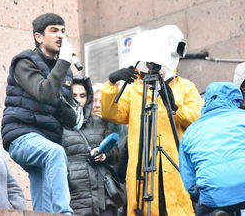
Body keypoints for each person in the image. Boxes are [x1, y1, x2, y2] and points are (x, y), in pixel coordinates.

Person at [101, 26, 203, 215]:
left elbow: (197, 119)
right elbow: (111, 114)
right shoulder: (135, 89)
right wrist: (112, 84)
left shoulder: (185, 87)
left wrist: (175, 108)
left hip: (174, 169)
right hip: (143, 172)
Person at [1, 13, 77, 214]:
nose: (60, 35)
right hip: (21, 135)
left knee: (43, 200)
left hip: (47, 138)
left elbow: (68, 114)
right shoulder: (24, 61)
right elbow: (44, 93)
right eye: (53, 30)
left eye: (63, 31)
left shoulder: (65, 72)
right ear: (38, 36)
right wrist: (64, 63)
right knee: (54, 153)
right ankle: (64, 213)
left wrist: (74, 112)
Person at [179, 82, 245, 216]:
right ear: (237, 100)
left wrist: (200, 195)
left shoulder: (191, 131)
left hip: (214, 196)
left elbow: (189, 180)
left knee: (204, 207)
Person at [61, 76, 124, 216]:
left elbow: (116, 154)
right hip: (76, 195)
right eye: (74, 95)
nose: (78, 99)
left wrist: (104, 154)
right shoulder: (58, 124)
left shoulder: (99, 122)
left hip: (104, 196)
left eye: (82, 95)